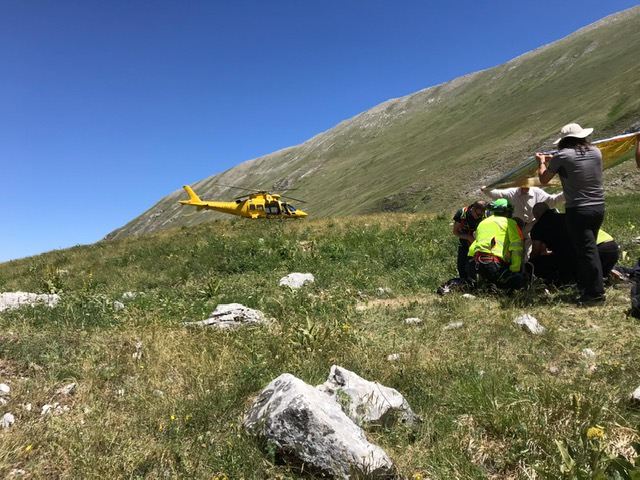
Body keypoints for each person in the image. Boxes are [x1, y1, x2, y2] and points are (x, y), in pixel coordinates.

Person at [537, 122, 605, 305]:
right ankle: (588, 286)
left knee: (586, 252)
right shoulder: (596, 152)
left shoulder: (562, 155)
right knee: (589, 250)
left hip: (578, 209)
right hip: (599, 207)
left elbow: (544, 179)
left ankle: (595, 294)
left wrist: (542, 163)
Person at [468, 198, 525, 290]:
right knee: (517, 280)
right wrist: (515, 268)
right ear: (508, 212)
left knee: (485, 287)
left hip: (474, 264)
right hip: (493, 265)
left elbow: (474, 245)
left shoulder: (483, 223)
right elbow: (516, 247)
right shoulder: (510, 223)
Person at [452, 200, 487, 283]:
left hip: (480, 245)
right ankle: (464, 284)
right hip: (464, 243)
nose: (479, 216)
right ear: (473, 209)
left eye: (481, 215)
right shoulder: (462, 214)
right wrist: (468, 237)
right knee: (462, 266)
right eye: (478, 214)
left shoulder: (486, 215)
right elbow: (455, 232)